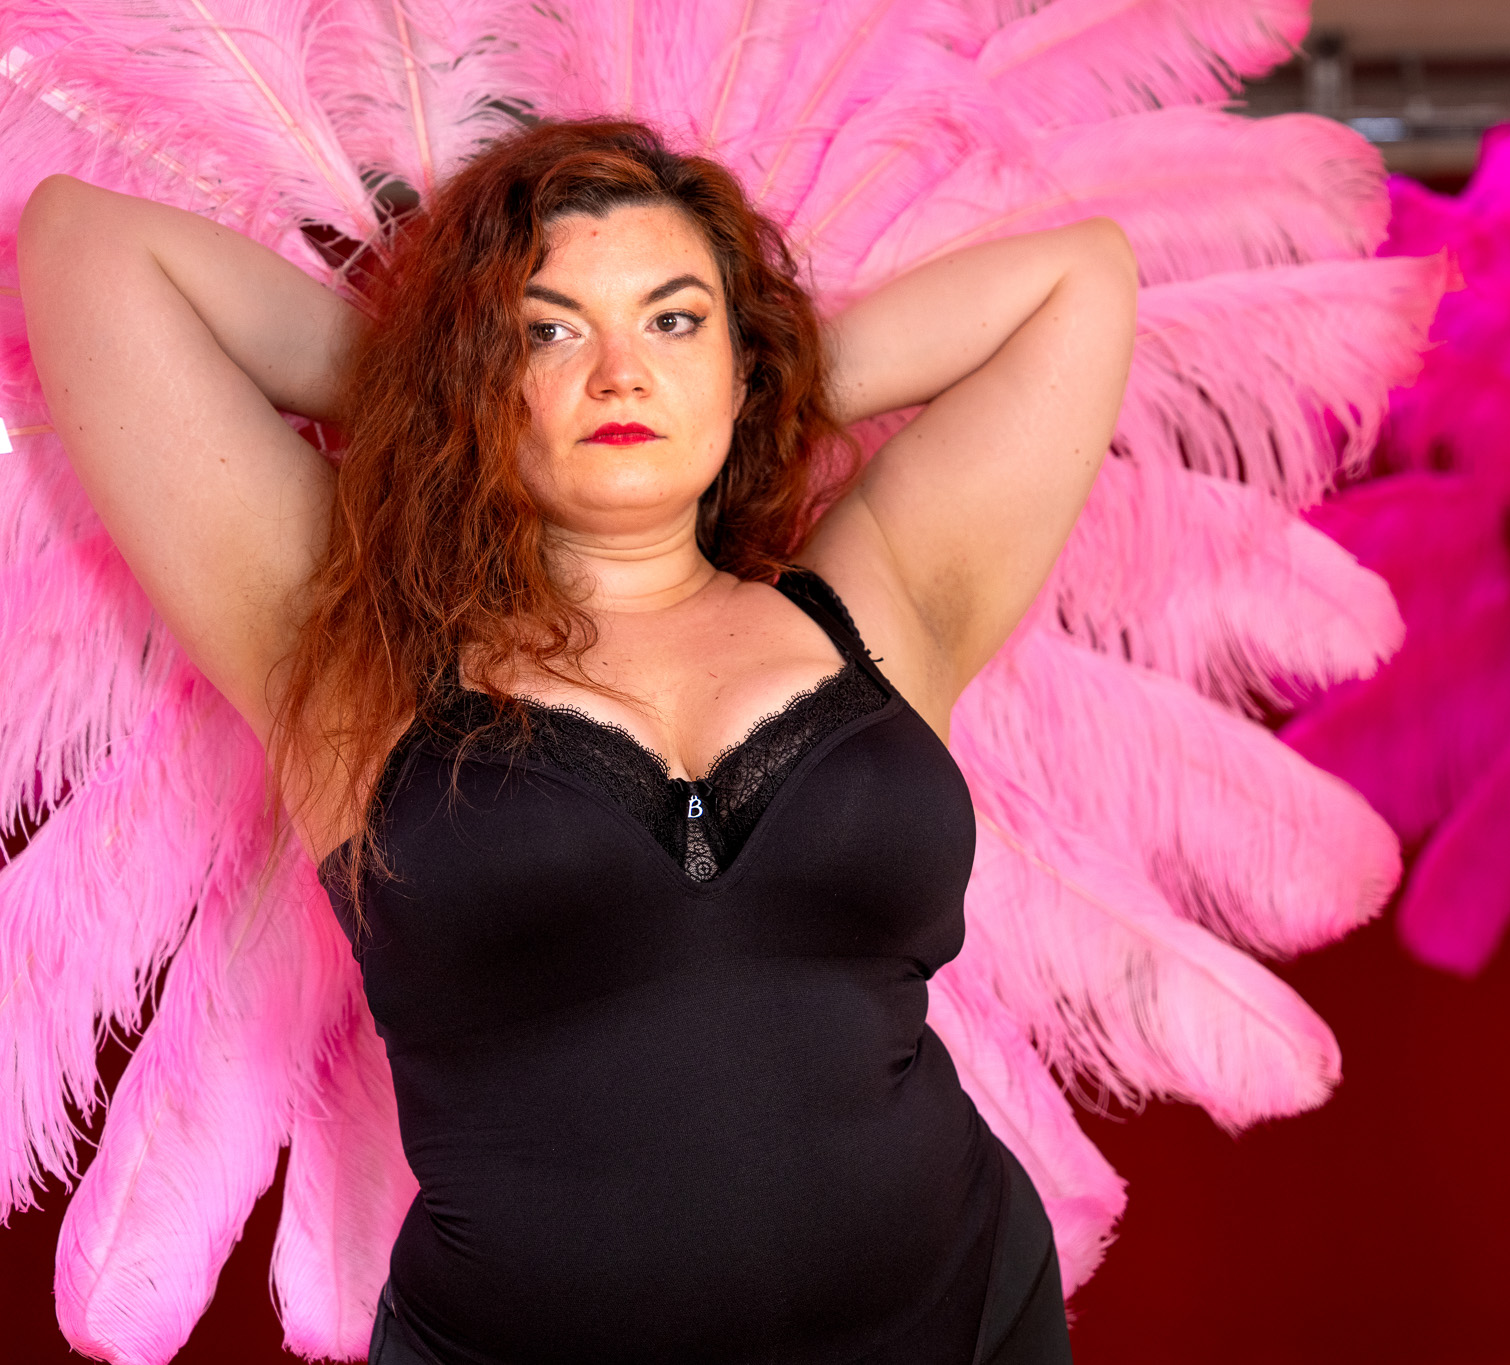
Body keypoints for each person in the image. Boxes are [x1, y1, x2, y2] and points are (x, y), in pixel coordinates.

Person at [17, 117, 1136, 1364]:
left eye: (674, 321)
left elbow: (1080, 279)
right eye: (546, 332)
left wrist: (758, 378)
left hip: (962, 1318)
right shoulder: (354, 660)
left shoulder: (879, 601)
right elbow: (83, 248)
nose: (619, 375)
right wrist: (433, 393)